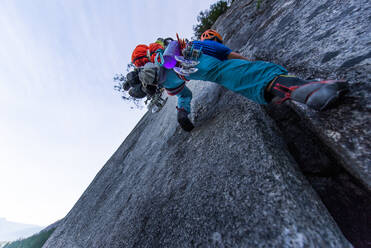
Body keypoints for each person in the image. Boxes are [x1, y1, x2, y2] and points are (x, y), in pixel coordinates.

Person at [130, 40, 348, 132]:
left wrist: (182, 111)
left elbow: (182, 92)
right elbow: (228, 55)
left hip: (170, 75)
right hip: (189, 58)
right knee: (226, 72)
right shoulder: (201, 43)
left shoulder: (160, 68)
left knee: (198, 86)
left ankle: (286, 90)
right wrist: (249, 64)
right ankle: (299, 88)